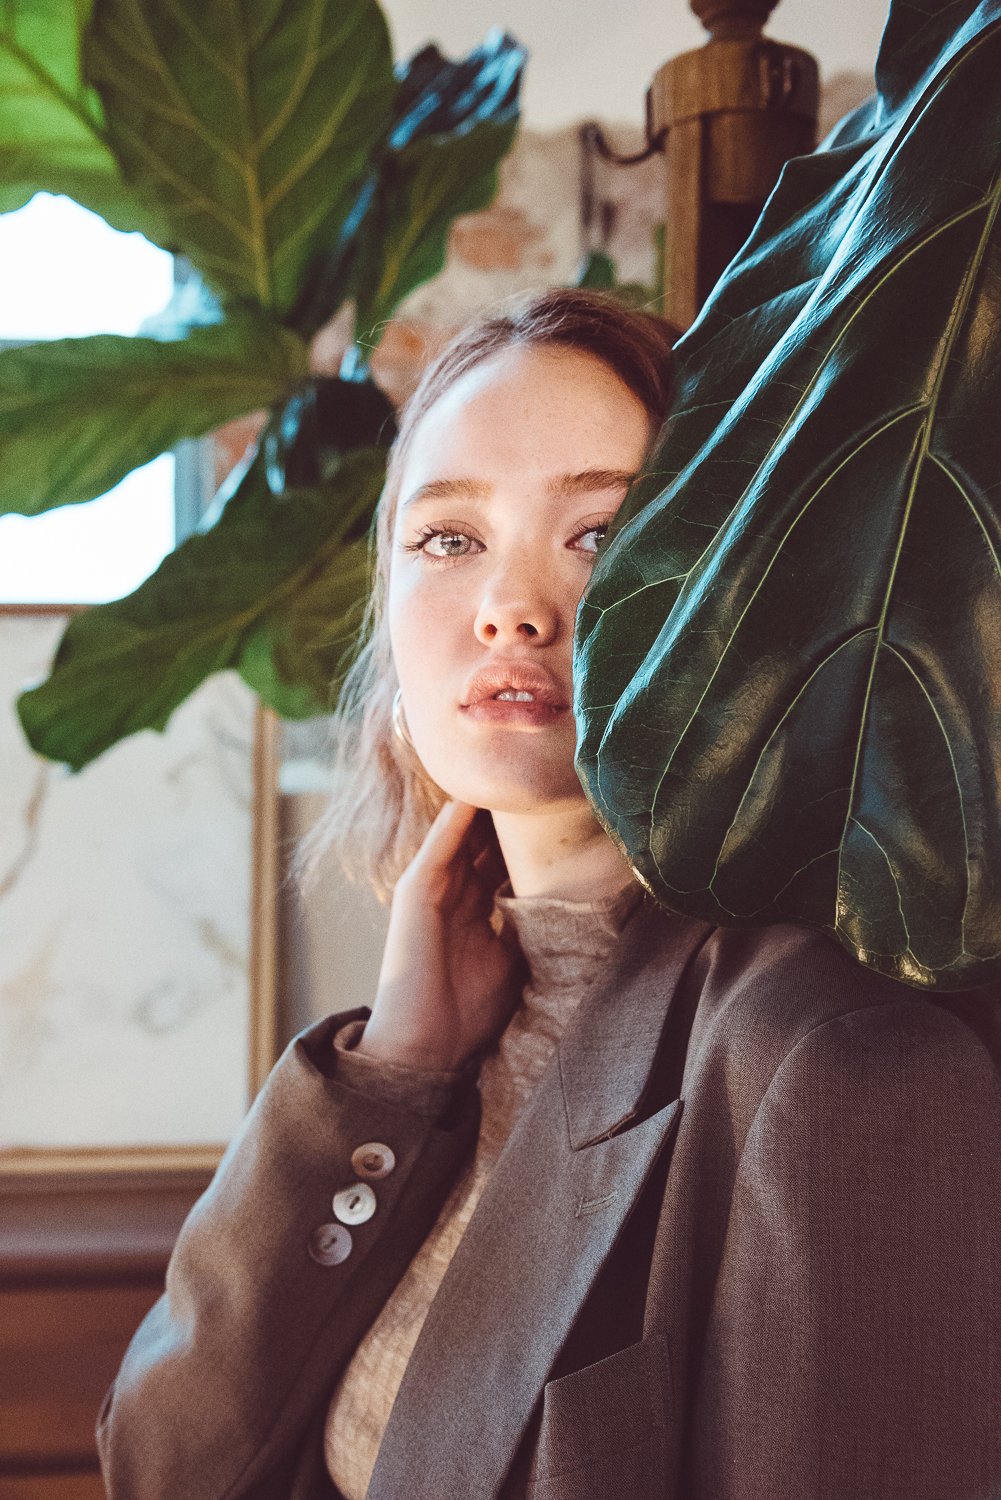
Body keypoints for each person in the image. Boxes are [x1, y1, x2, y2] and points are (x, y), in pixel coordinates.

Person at [97, 289, 1001, 1500]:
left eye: (598, 535)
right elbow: (164, 1473)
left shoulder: (832, 1062)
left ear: (733, 593)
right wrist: (394, 1070)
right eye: (448, 539)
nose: (511, 607)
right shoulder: (428, 1043)